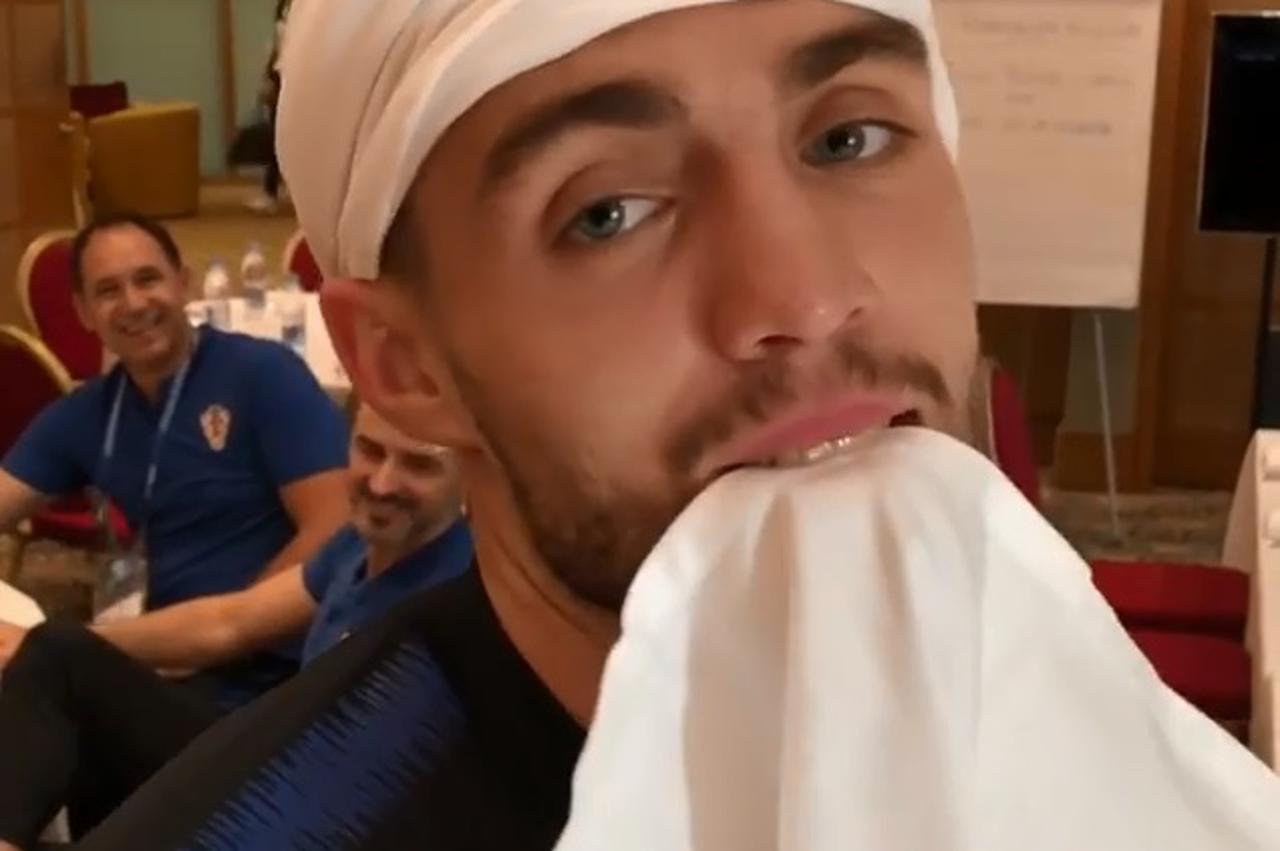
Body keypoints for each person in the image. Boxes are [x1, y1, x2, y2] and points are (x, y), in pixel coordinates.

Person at [74, 1, 985, 847]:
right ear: (405, 362)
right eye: (607, 214)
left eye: (849, 140)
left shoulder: (1050, 702)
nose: (809, 299)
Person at [0, 404, 471, 850]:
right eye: (370, 450)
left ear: (473, 476)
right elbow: (232, 622)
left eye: (419, 465)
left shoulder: (460, 596)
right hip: (266, 761)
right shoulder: (358, 543)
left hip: (290, 811)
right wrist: (69, 644)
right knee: (60, 654)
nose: (383, 483)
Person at [0, 213, 350, 706]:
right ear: (84, 312)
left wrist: (237, 622)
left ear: (183, 283)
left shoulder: (262, 375)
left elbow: (334, 530)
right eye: (108, 291)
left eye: (148, 279)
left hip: (269, 666)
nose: (133, 303)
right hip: (161, 662)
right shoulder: (90, 413)